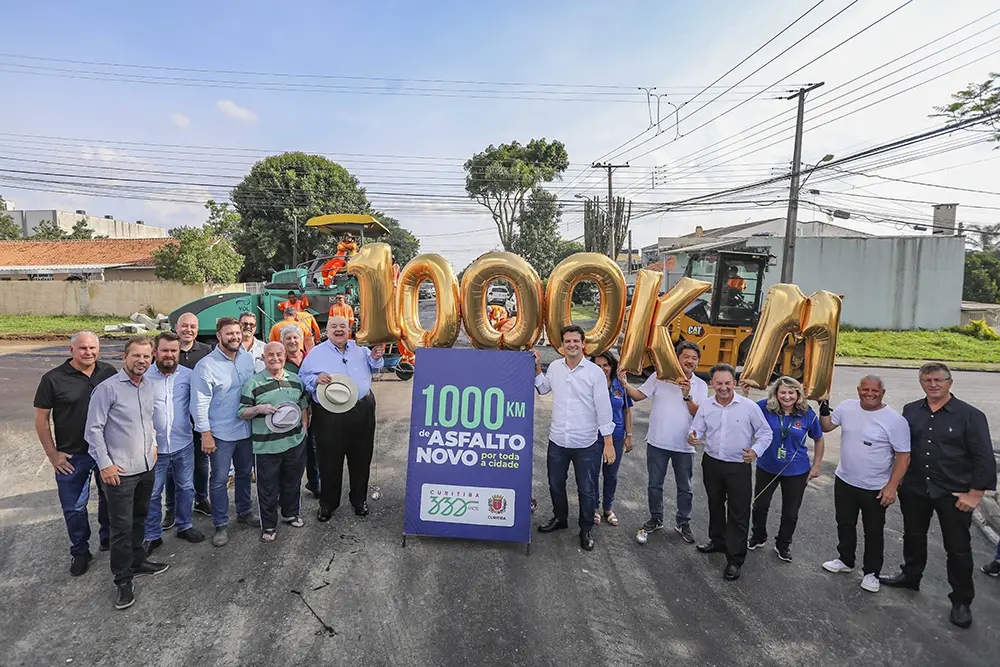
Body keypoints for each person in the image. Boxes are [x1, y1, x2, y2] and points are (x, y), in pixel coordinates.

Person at [881, 362, 996, 629]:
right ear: (921, 382)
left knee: (957, 548)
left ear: (949, 383)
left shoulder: (970, 415)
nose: (933, 385)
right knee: (913, 535)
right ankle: (910, 576)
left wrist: (975, 494)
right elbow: (902, 448)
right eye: (927, 380)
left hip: (953, 492)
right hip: (915, 489)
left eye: (938, 380)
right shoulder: (911, 410)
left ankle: (961, 600)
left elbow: (983, 458)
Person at [85, 337, 169, 610]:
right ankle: (123, 580)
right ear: (124, 357)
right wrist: (105, 464)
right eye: (136, 356)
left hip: (145, 467)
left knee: (139, 518)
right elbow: (93, 430)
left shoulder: (148, 386)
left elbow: (149, 421)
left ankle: (137, 561)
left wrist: (153, 446)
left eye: (146, 356)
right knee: (121, 528)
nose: (141, 361)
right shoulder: (107, 389)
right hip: (119, 472)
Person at [818, 375, 911, 594]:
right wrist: (823, 404)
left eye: (875, 391)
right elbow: (827, 427)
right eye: (865, 389)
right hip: (845, 479)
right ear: (858, 390)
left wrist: (892, 486)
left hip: (875, 487)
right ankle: (845, 560)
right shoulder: (847, 407)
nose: (869, 394)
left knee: (873, 531)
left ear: (883, 393)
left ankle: (871, 573)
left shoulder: (894, 420)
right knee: (844, 523)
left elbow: (904, 456)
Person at [33, 331, 116, 575]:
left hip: (106, 451)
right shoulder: (53, 379)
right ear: (71, 350)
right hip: (72, 455)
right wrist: (53, 455)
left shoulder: (108, 372)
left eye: (92, 348)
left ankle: (108, 538)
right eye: (82, 348)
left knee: (110, 498)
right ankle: (80, 551)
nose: (88, 352)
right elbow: (41, 419)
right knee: (74, 508)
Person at [531, 325, 616, 552]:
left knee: (586, 489)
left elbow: (604, 408)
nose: (571, 345)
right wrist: (538, 367)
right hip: (558, 439)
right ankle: (560, 518)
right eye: (567, 341)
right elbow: (544, 389)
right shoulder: (555, 367)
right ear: (562, 345)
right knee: (555, 484)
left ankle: (585, 529)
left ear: (583, 344)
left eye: (576, 341)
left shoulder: (594, 373)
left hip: (585, 443)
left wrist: (608, 442)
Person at [618, 341, 708, 545]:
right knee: (654, 484)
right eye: (686, 356)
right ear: (676, 359)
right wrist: (624, 384)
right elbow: (638, 396)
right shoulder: (659, 377)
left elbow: (699, 414)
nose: (690, 361)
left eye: (694, 358)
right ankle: (656, 518)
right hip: (657, 442)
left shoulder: (700, 385)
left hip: (684, 446)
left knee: (685, 488)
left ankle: (683, 522)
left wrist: (687, 395)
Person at [689, 363, 772, 581]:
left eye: (727, 383)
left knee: (738, 512)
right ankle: (717, 541)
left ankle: (735, 560)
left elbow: (765, 433)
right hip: (712, 463)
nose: (723, 387)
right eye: (719, 383)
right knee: (715, 504)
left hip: (738, 466)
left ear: (734, 383)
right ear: (712, 383)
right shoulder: (706, 406)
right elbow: (696, 428)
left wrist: (755, 451)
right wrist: (692, 435)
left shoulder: (748, 407)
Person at [299, 316, 385, 521]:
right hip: (329, 413)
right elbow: (303, 377)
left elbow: (376, 366)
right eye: (334, 326)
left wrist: (375, 357)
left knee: (361, 457)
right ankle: (328, 504)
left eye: (342, 326)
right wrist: (315, 379)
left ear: (349, 329)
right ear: (327, 331)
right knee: (329, 459)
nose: (338, 330)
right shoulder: (316, 353)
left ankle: (359, 500)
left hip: (361, 409)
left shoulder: (360, 348)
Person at [191, 317, 258, 547]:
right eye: (229, 334)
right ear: (219, 336)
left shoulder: (246, 358)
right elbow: (199, 403)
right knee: (219, 479)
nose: (235, 337)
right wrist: (205, 433)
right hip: (220, 433)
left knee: (244, 473)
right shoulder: (206, 366)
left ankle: (245, 512)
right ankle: (220, 524)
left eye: (237, 333)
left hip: (245, 430)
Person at [748, 376, 824, 562]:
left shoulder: (807, 413)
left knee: (790, 512)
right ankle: (758, 536)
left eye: (791, 392)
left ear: (798, 394)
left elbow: (819, 438)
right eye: (783, 392)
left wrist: (816, 465)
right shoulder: (764, 407)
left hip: (797, 470)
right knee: (760, 505)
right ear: (776, 393)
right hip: (767, 466)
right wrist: (745, 393)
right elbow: (744, 414)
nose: (787, 396)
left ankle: (783, 544)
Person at [239, 342, 310, 541]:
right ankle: (269, 525)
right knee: (268, 488)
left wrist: (304, 427)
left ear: (285, 356)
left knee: (292, 482)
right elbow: (242, 412)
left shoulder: (295, 380)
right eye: (270, 355)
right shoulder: (253, 383)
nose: (275, 358)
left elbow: (303, 404)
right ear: (263, 358)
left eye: (279, 354)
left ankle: (290, 513)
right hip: (266, 446)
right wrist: (258, 409)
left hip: (294, 442)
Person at [142, 332, 205, 556]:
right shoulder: (144, 377)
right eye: (165, 350)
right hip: (153, 448)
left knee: (186, 487)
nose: (169, 355)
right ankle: (152, 535)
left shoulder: (188, 376)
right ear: (155, 352)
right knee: (152, 493)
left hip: (183, 443)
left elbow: (199, 404)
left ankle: (184, 526)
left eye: (173, 351)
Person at [171, 312, 213, 524]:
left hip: (198, 417)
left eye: (192, 327)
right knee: (172, 466)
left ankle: (201, 499)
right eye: (184, 326)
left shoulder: (206, 351)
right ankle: (171, 508)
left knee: (201, 462)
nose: (188, 330)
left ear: (197, 330)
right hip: (173, 418)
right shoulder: (169, 350)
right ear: (176, 327)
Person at [589, 351, 632, 527]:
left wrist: (629, 435)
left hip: (616, 437)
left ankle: (608, 508)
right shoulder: (589, 384)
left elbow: (627, 410)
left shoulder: (619, 384)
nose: (602, 369)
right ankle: (594, 508)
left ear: (612, 366)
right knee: (592, 474)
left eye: (605, 365)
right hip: (593, 437)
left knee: (611, 475)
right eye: (598, 366)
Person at [281, 324, 319, 498]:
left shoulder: (311, 359)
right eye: (288, 338)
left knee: (314, 448)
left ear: (301, 340)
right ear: (283, 341)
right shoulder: (280, 362)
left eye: (295, 337)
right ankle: (286, 492)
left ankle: (315, 483)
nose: (292, 341)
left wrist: (310, 410)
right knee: (290, 454)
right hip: (289, 412)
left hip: (313, 410)